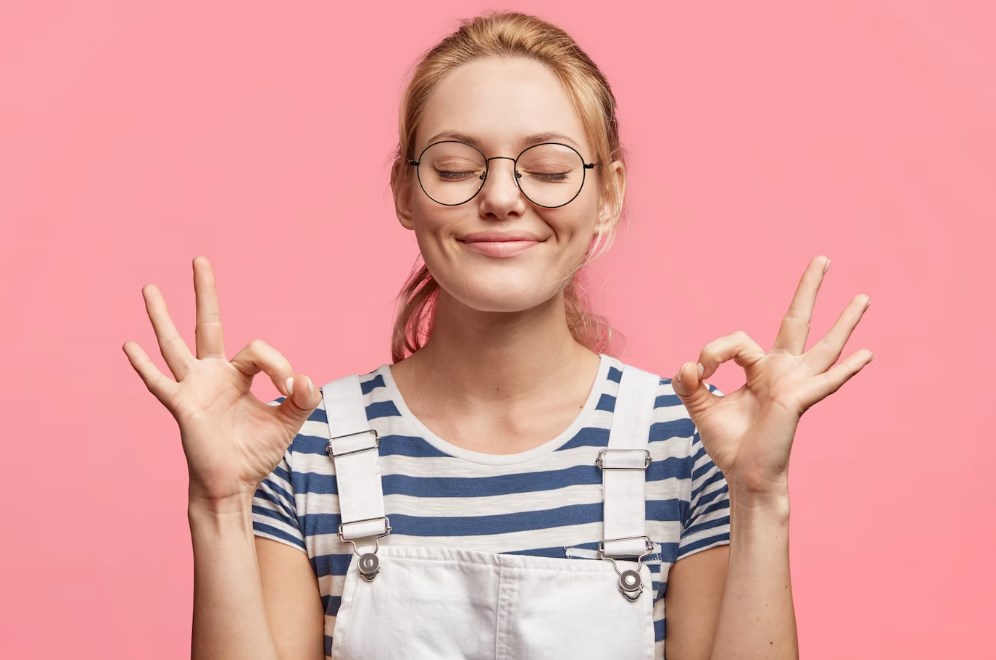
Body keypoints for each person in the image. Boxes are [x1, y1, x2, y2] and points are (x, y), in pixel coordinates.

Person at [123, 10, 872, 660]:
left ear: (609, 196)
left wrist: (759, 492)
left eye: (549, 168)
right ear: (405, 194)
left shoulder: (694, 445)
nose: (503, 197)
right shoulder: (299, 447)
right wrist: (218, 501)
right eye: (454, 167)